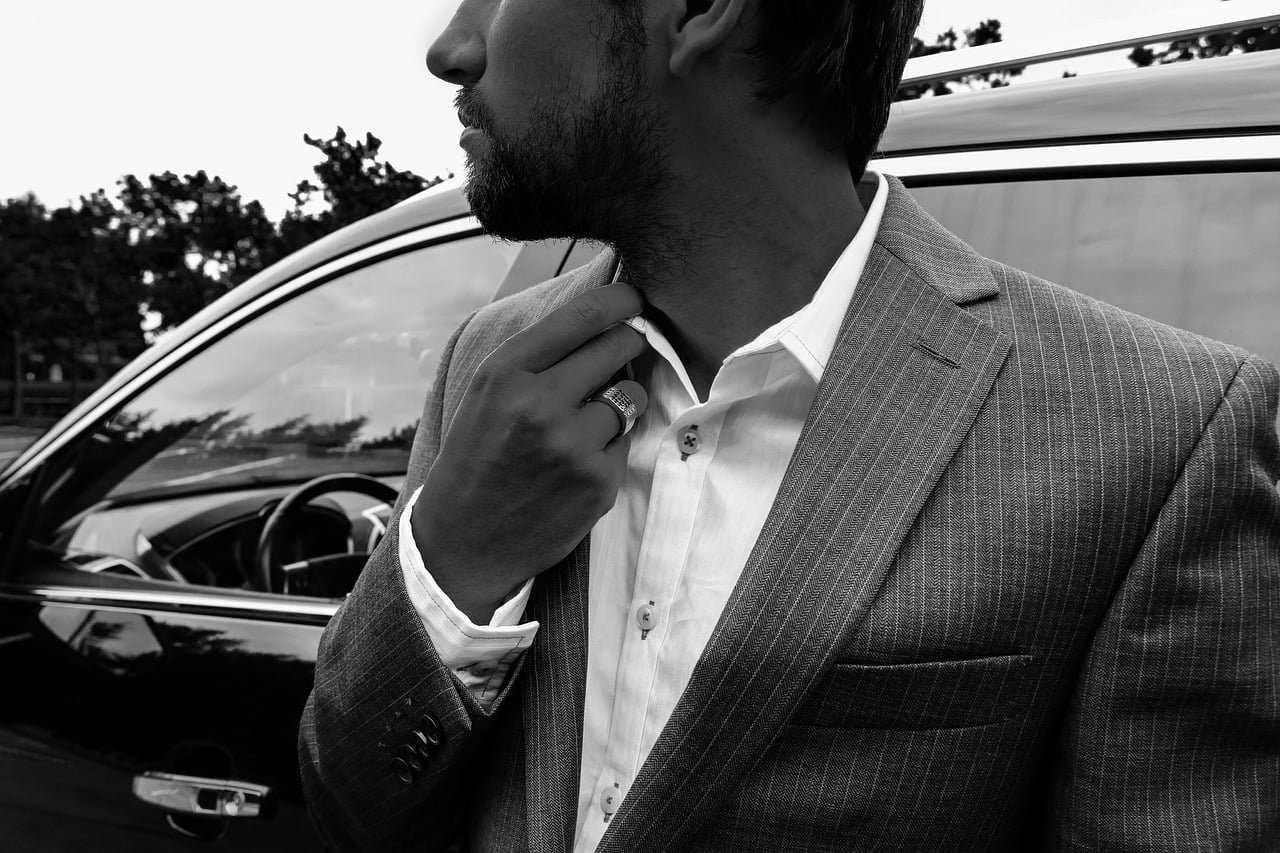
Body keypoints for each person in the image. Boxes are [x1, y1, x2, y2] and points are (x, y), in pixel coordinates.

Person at [298, 0, 1280, 849]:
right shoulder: (494, 361)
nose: (450, 47)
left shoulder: (1164, 431)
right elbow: (352, 810)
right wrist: (454, 564)